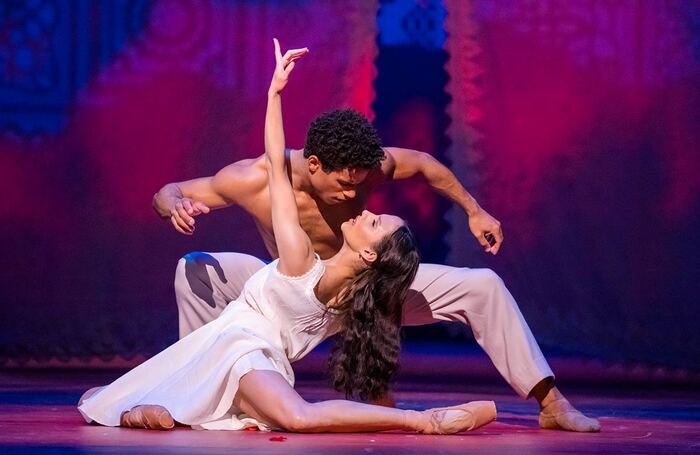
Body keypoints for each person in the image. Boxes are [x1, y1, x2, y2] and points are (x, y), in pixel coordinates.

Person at [153, 46, 600, 433]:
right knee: (194, 266)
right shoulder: (253, 179)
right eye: (344, 185)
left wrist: (473, 209)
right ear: (313, 164)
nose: (354, 195)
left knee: (483, 284)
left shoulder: (367, 169)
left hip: (364, 286)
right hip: (291, 295)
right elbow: (171, 191)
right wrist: (174, 204)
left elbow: (425, 164)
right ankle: (196, 387)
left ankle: (551, 403)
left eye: (360, 184)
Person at [77, 39, 497, 434]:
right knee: (297, 417)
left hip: (267, 360)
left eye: (373, 222)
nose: (363, 208)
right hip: (238, 344)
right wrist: (274, 94)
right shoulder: (299, 258)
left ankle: (139, 409)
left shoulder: (353, 296)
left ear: (369, 254)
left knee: (273, 413)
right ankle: (423, 421)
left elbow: (374, 316)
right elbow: (277, 168)